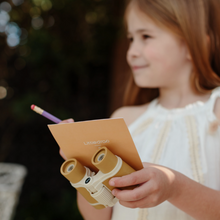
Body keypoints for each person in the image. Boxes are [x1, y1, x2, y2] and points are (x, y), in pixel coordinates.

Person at [60, 0, 220, 219]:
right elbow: (98, 217)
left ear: (194, 43)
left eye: (146, 36)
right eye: (131, 38)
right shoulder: (124, 119)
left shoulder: (216, 113)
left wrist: (175, 187)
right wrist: (85, 169)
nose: (131, 52)